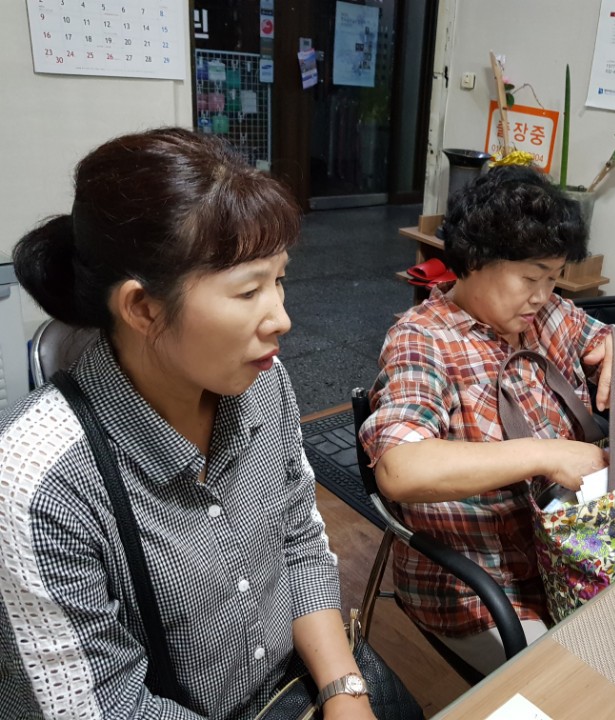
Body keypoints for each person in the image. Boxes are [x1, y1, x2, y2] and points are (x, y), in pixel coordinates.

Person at [0, 128, 375, 720]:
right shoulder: (38, 481)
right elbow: (107, 706)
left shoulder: (262, 383)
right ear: (143, 308)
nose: (281, 318)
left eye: (279, 279)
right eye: (248, 291)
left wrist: (345, 692)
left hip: (291, 690)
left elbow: (298, 540)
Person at [359, 165, 615, 675]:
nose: (543, 295)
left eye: (552, 278)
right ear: (475, 260)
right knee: (586, 678)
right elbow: (399, 468)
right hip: (483, 583)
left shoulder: (551, 317)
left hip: (576, 551)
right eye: (531, 277)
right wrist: (546, 454)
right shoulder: (423, 339)